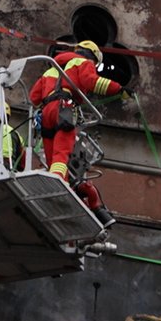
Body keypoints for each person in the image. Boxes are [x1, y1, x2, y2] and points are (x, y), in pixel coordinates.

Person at [29, 40, 130, 227]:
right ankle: (59, 182)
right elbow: (92, 81)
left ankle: (60, 183)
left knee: (51, 157)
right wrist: (119, 89)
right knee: (62, 152)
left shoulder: (52, 68)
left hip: (46, 113)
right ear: (92, 55)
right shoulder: (83, 62)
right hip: (64, 109)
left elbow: (34, 97)